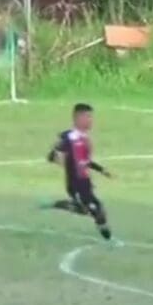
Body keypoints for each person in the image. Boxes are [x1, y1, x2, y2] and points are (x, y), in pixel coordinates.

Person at [43, 103, 115, 241]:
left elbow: (84, 161)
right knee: (94, 211)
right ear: (77, 118)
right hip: (75, 184)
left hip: (85, 182)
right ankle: (109, 241)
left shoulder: (84, 138)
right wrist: (59, 158)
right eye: (87, 117)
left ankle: (55, 204)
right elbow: (52, 156)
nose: (90, 120)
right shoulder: (69, 138)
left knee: (95, 211)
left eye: (91, 117)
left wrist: (101, 170)